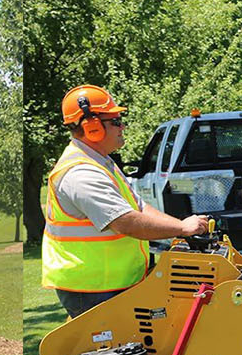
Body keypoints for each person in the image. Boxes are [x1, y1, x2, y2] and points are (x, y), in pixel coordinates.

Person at [41, 85, 210, 318]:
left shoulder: (102, 162)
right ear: (92, 128)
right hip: (93, 289)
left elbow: (139, 207)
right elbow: (125, 221)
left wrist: (182, 230)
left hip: (111, 285)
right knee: (115, 353)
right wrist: (182, 227)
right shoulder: (81, 173)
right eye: (116, 121)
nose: (123, 127)